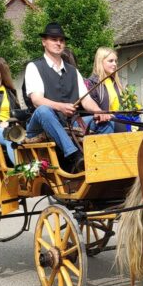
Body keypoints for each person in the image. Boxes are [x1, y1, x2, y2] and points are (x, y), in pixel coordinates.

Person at [23, 23, 111, 173]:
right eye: (54, 39)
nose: (58, 43)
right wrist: (60, 107)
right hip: (40, 124)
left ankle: (103, 161)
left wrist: (99, 111)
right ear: (44, 41)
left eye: (61, 40)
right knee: (44, 110)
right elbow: (37, 100)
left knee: (106, 121)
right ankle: (74, 156)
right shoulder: (34, 67)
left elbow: (86, 99)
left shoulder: (73, 71)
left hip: (71, 122)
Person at [85, 47, 141, 133]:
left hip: (119, 119)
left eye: (115, 61)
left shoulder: (116, 83)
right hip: (104, 123)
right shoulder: (91, 83)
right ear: (100, 62)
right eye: (110, 61)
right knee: (125, 128)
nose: (114, 64)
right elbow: (90, 110)